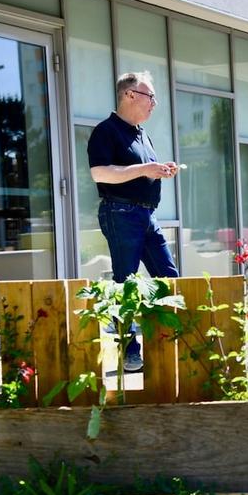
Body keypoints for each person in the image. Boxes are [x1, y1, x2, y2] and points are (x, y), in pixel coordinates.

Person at [88, 71, 179, 372]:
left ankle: (171, 342)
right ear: (129, 95)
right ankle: (130, 351)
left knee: (169, 278)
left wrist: (159, 170)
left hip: (147, 215)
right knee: (125, 284)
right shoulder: (106, 131)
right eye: (150, 96)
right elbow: (100, 174)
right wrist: (144, 169)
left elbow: (142, 169)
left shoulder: (142, 133)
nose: (154, 103)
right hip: (120, 213)